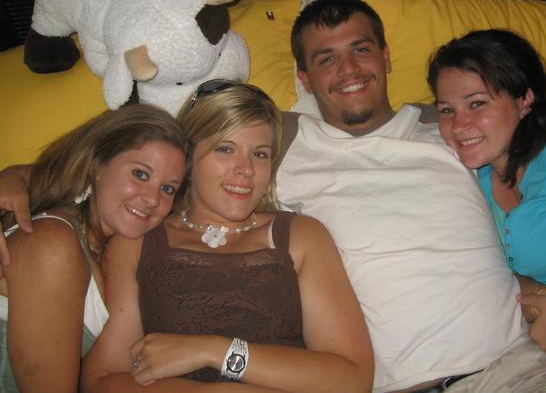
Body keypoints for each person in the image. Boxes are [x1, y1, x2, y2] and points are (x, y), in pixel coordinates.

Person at [1, 0, 546, 392]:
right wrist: (22, 179)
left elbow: (543, 102)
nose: (349, 69)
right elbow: (154, 152)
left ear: (387, 56)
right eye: (325, 58)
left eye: (361, 48)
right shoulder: (277, 136)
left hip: (513, 370)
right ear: (303, 79)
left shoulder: (451, 128)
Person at [79, 82, 373, 393]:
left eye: (260, 154)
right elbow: (101, 380)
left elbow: (353, 378)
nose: (246, 169)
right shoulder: (138, 242)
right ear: (189, 158)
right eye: (225, 149)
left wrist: (214, 351)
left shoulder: (300, 237)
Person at [427, 28, 546, 385]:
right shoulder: (474, 181)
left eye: (477, 103)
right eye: (446, 110)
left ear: (525, 99)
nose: (459, 125)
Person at [0, 103, 186, 393]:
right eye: (140, 174)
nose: (153, 199)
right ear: (96, 165)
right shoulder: (53, 246)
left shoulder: (105, 243)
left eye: (168, 188)